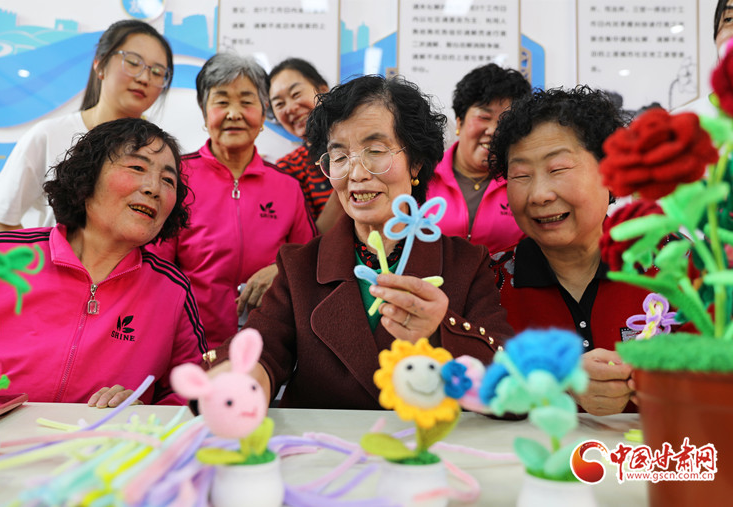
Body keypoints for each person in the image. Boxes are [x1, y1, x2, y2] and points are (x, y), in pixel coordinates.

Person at [202, 75, 514, 410]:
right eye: (339, 156)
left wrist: (440, 332)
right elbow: (261, 349)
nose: (357, 173)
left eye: (375, 151)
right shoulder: (300, 266)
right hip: (327, 443)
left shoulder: (466, 263)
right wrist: (240, 382)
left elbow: (510, 389)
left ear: (416, 163)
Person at [0, 118, 204, 407]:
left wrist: (144, 415)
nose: (154, 188)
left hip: (105, 437)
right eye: (137, 168)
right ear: (88, 176)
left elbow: (192, 394)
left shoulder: (172, 291)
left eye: (168, 180)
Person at [487, 86, 650, 416]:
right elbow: (472, 386)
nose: (539, 195)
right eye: (520, 175)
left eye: (558, 169)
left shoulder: (674, 266)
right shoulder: (490, 284)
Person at [150, 53, 316, 351]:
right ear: (205, 113)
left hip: (269, 349)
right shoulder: (175, 178)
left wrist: (283, 268)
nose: (234, 113)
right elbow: (154, 269)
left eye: (247, 101)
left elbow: (309, 260)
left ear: (263, 115)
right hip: (190, 347)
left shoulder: (287, 186)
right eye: (222, 101)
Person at [0, 20, 174, 231]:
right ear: (100, 64)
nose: (144, 78)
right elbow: (1, 216)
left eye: (157, 72)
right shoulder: (50, 135)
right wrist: (39, 254)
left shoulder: (162, 153)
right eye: (133, 62)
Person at [427, 64, 531, 254]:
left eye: (506, 121)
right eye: (484, 117)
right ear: (460, 122)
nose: (494, 130)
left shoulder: (525, 182)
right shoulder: (423, 175)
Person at [269, 58, 343, 233]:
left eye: (295, 94)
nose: (290, 108)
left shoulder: (363, 144)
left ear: (323, 90)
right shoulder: (288, 168)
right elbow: (308, 239)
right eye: (279, 104)